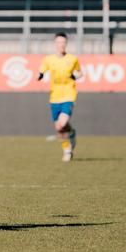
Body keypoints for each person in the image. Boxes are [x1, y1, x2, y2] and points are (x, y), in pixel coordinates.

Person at [37, 32, 83, 162]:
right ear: (55, 44)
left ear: (66, 44)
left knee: (62, 122)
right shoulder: (48, 59)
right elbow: (41, 71)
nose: (61, 45)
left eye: (63, 42)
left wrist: (76, 76)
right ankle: (68, 146)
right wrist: (39, 76)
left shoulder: (73, 59)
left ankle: (68, 150)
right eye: (58, 42)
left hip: (69, 94)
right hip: (54, 96)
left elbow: (80, 73)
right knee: (59, 127)